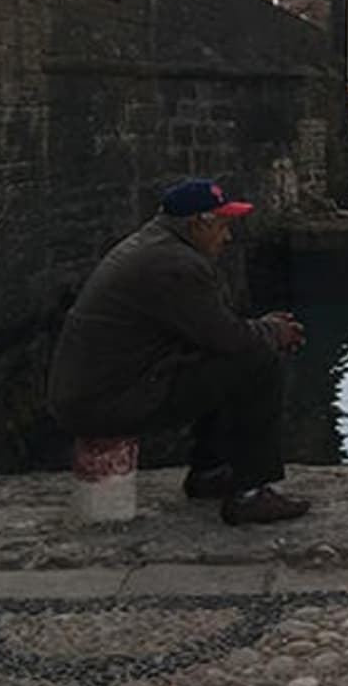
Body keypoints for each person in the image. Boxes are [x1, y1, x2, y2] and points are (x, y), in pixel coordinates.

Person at [49, 178, 310, 525]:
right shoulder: (175, 265)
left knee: (233, 356)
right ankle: (249, 493)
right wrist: (273, 333)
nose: (227, 237)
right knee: (257, 360)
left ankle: (210, 471)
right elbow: (230, 339)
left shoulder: (155, 246)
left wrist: (263, 329)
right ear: (198, 223)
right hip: (104, 404)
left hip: (97, 392)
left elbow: (212, 331)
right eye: (221, 226)